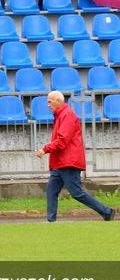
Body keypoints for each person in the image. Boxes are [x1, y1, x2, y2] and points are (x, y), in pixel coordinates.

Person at [37, 91, 116, 222]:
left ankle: (106, 211)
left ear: (58, 101)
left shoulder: (67, 115)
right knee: (51, 191)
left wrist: (45, 149)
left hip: (68, 161)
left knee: (76, 193)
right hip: (60, 162)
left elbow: (62, 140)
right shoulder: (61, 115)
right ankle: (51, 221)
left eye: (50, 102)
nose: (48, 105)